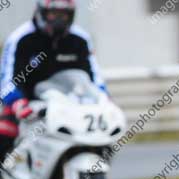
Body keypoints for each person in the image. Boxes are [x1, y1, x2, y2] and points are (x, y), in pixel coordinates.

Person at [0, 0, 106, 164]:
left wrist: (103, 97)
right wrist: (17, 102)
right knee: (4, 134)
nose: (59, 19)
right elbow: (7, 80)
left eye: (63, 15)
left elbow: (95, 77)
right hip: (28, 106)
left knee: (101, 137)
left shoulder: (80, 39)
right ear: (42, 12)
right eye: (53, 14)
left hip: (70, 106)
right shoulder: (21, 38)